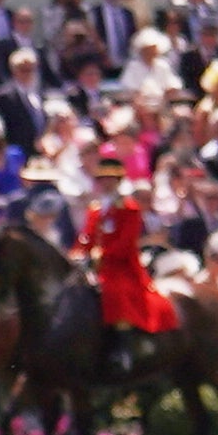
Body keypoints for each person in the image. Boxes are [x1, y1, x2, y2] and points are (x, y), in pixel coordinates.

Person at [78, 145, 175, 378]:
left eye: (111, 179)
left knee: (116, 291)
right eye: (103, 179)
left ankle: (123, 348)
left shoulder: (129, 208)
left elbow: (126, 241)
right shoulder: (95, 209)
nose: (107, 183)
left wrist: (101, 255)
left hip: (121, 265)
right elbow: (87, 236)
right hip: (96, 263)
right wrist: (79, 252)